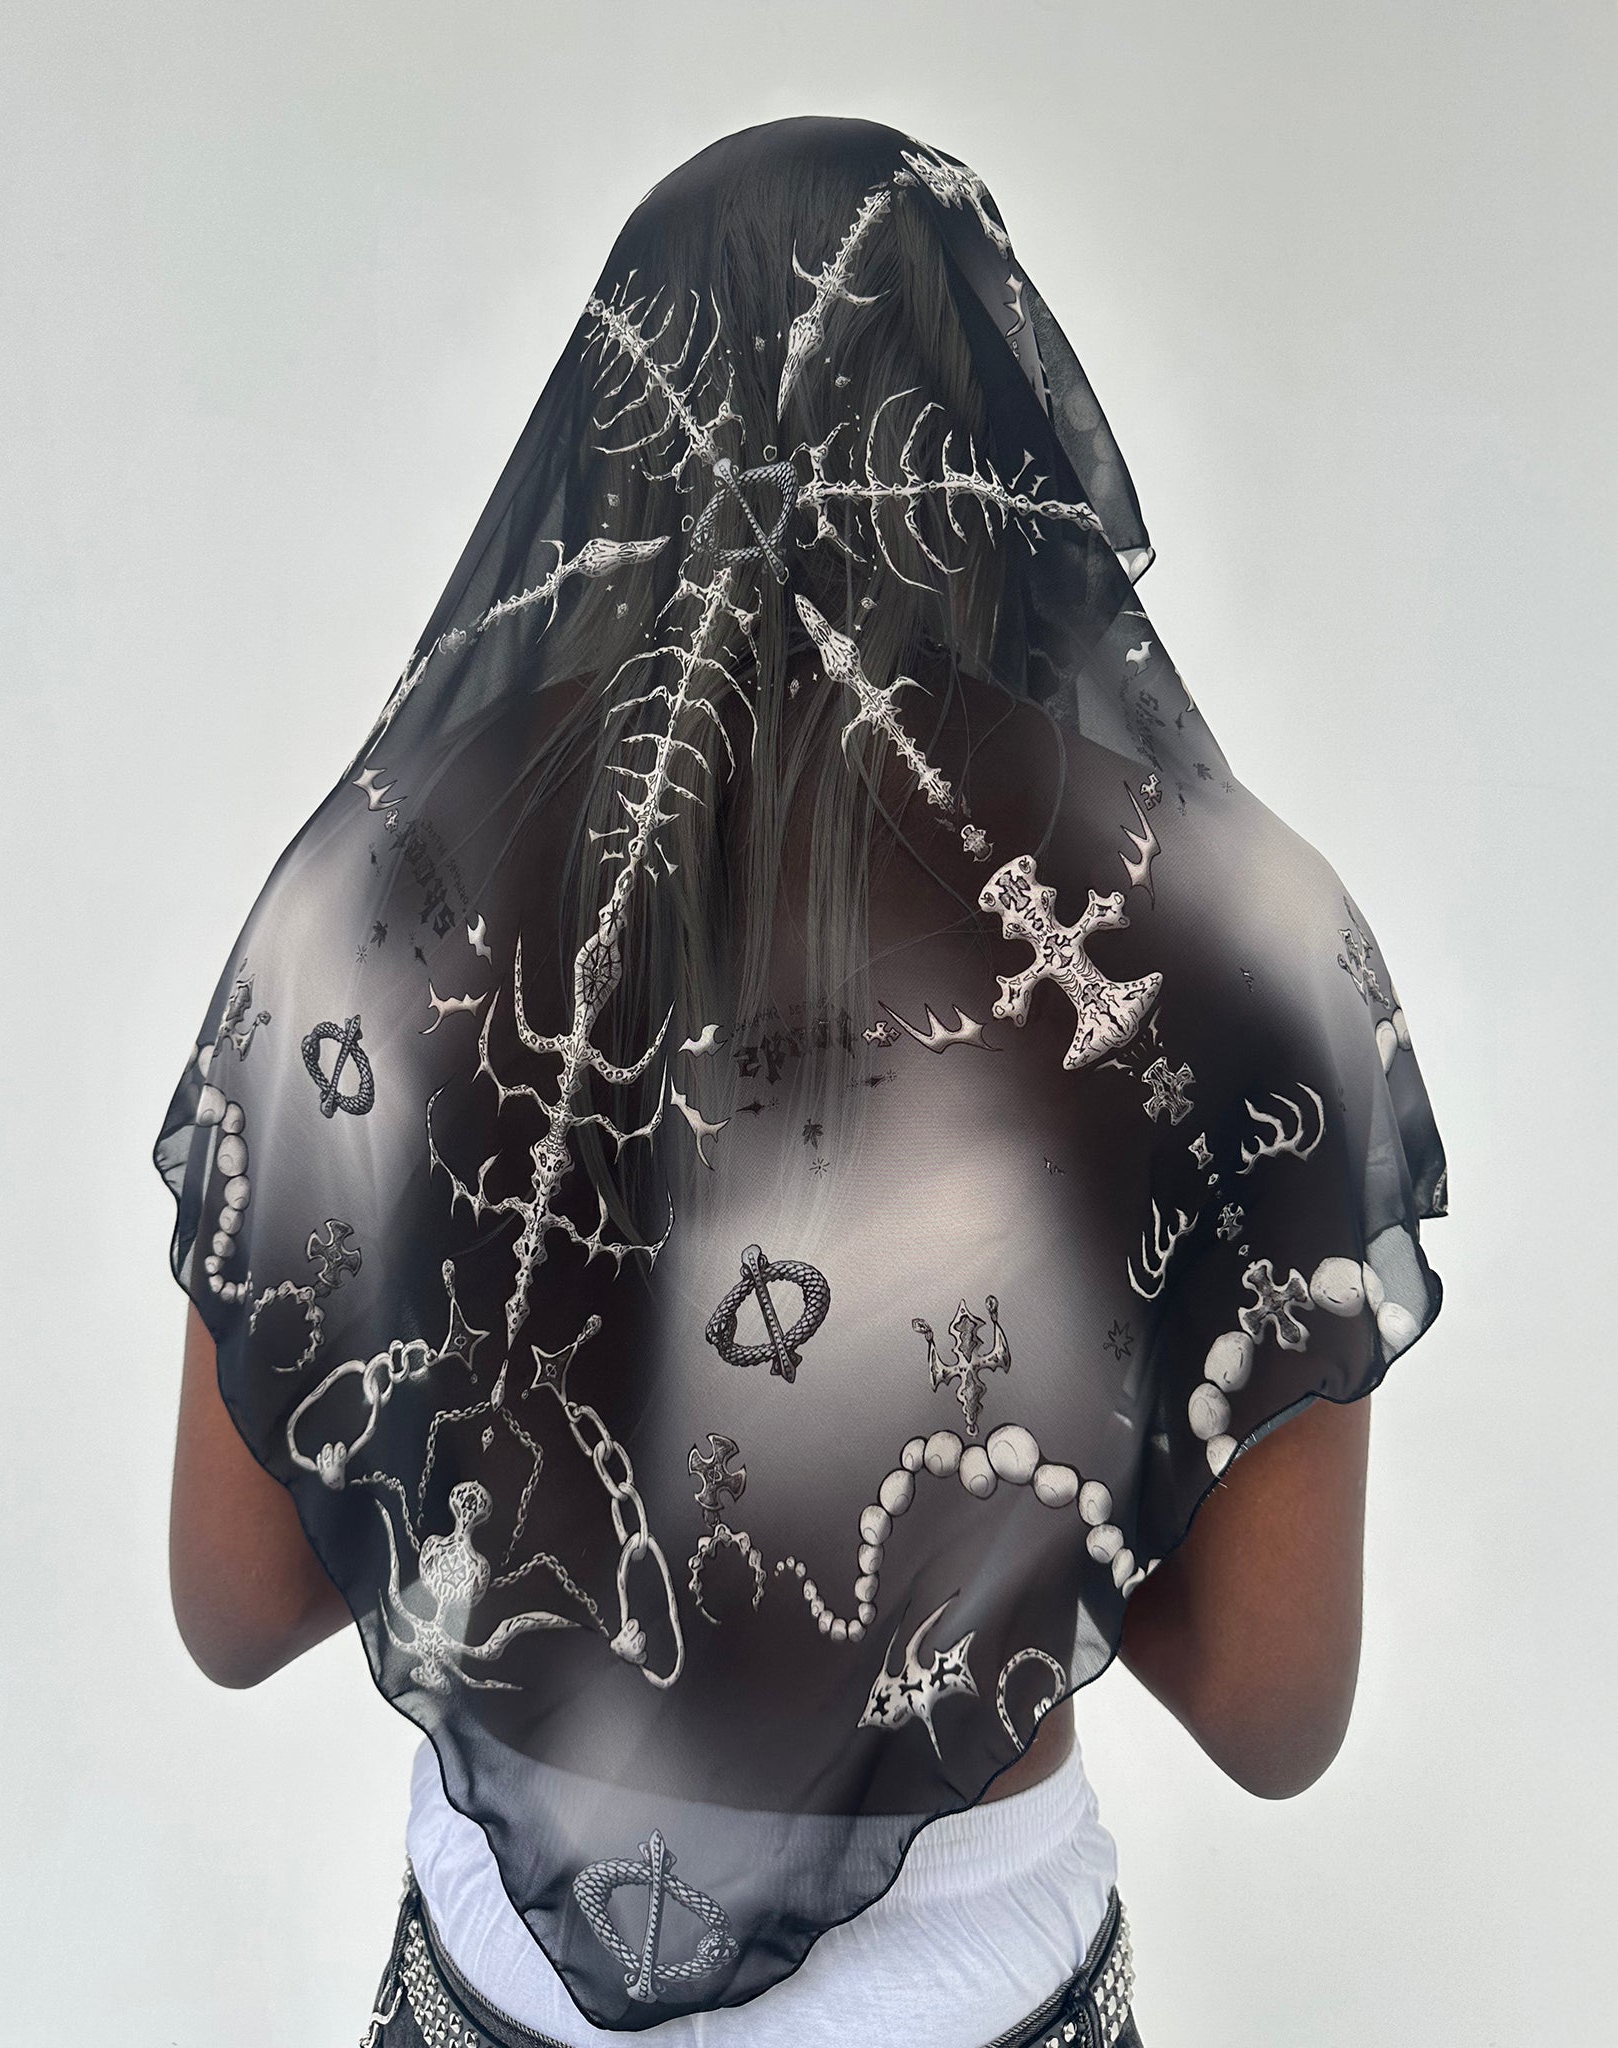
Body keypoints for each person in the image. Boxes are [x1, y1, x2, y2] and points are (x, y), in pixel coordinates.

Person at [160, 116, 1446, 2047]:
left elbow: (233, 1599)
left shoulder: (387, 894)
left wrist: (524, 1427)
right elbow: (1273, 1710)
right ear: (993, 452)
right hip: (979, 1994)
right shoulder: (1215, 931)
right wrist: (1011, 1512)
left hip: (490, 1995)